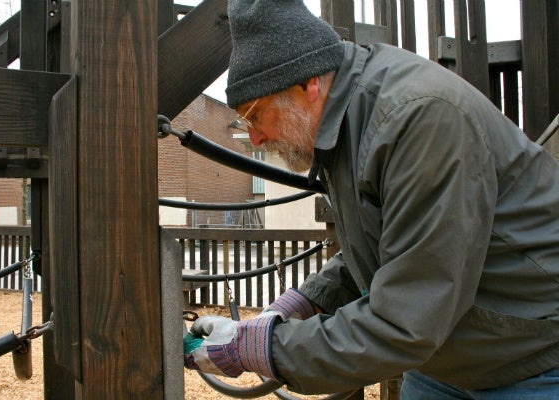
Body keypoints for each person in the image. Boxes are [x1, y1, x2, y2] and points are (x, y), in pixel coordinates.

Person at [184, 0, 559, 398]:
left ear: (308, 83)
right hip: (448, 356)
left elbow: (409, 315)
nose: (254, 137)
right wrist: (298, 304)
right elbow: (392, 243)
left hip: (531, 358)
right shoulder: (347, 119)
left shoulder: (416, 121)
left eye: (255, 114)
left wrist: (256, 347)